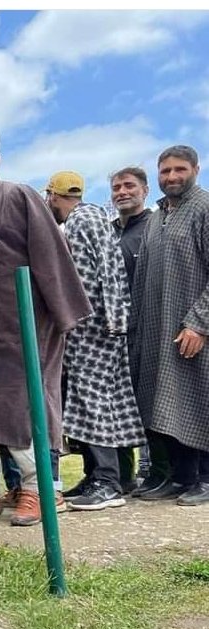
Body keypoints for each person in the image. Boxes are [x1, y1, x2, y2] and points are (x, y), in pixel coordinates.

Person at [0, 126, 91, 526]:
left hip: (22, 325)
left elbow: (51, 253)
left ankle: (40, 489)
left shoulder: (18, 195)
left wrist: (61, 314)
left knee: (22, 404)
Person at [44, 171, 146, 510]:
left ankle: (108, 481)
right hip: (93, 327)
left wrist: (114, 321)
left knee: (94, 404)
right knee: (96, 403)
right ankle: (100, 476)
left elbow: (106, 270)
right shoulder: (91, 219)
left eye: (50, 198)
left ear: (54, 196)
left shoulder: (82, 219)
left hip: (94, 329)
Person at [129, 145, 209, 506]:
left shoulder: (204, 208)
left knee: (199, 401)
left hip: (193, 329)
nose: (172, 177)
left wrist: (199, 323)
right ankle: (180, 478)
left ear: (196, 168)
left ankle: (205, 480)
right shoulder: (157, 217)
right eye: (165, 171)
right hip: (157, 329)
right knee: (167, 404)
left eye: (179, 170)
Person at [109, 167, 156, 494]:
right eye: (116, 187)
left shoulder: (153, 228)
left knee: (150, 403)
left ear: (145, 190)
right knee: (117, 407)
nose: (122, 192)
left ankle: (155, 472)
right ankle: (123, 477)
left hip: (147, 329)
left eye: (129, 186)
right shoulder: (109, 232)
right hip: (114, 335)